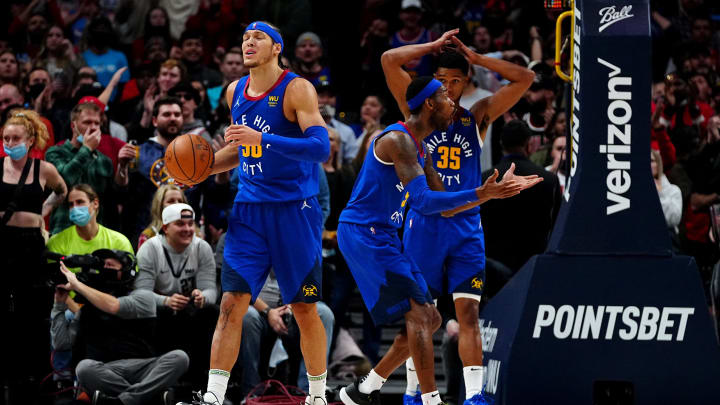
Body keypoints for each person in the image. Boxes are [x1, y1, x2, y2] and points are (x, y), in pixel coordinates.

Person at [336, 75, 539, 405]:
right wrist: (482, 192)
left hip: (385, 235)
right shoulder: (397, 141)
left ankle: (365, 387)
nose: (453, 103)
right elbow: (424, 202)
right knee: (419, 317)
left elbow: (447, 206)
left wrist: (492, 193)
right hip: (363, 233)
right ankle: (429, 400)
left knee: (430, 319)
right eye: (446, 96)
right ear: (429, 103)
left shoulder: (419, 149)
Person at [178, 21, 331, 405]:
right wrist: (203, 168)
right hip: (248, 209)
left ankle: (316, 395)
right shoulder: (235, 92)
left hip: (294, 210)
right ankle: (213, 396)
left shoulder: (297, 89)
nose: (248, 42)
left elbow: (320, 148)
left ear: (276, 47)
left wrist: (262, 138)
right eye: (244, 37)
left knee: (305, 307)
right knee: (232, 302)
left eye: (258, 37)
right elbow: (239, 148)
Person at [381, 30, 537, 405]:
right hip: (425, 225)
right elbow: (389, 60)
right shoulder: (414, 111)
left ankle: (475, 396)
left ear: (466, 83)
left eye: (456, 81)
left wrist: (480, 60)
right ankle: (415, 392)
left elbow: (526, 78)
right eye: (442, 81)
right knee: (421, 317)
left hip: (466, 227)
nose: (449, 88)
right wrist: (431, 47)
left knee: (468, 314)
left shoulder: (478, 115)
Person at [51, 250, 189, 405]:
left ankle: (120, 402)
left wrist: (79, 285)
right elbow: (61, 344)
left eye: (110, 265)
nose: (104, 268)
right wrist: (59, 304)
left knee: (179, 357)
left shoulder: (144, 297)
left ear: (126, 270)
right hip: (106, 371)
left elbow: (113, 305)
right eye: (102, 265)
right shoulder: (87, 308)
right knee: (83, 368)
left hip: (143, 368)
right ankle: (151, 398)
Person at [1, 108, 66, 402]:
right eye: (6, 137)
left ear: (29, 140)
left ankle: (35, 377)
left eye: (15, 137)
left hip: (30, 243)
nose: (10, 141)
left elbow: (61, 191)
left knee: (32, 310)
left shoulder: (44, 169)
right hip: (2, 241)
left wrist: (43, 213)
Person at [135, 203, 218, 385]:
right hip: (161, 312)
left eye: (190, 224)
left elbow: (211, 289)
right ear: (165, 228)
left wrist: (203, 296)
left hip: (190, 309)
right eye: (180, 224)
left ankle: (203, 380)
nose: (188, 229)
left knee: (211, 312)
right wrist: (165, 300)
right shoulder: (150, 249)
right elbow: (140, 294)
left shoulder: (201, 247)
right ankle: (162, 381)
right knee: (156, 314)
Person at [481, 120, 561, 273]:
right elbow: (556, 225)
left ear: (501, 143)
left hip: (492, 266)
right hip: (534, 266)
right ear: (529, 144)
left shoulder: (484, 179)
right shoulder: (549, 179)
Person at [116, 96, 184, 241]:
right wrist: (122, 166)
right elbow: (122, 192)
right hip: (145, 232)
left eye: (177, 115)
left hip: (184, 230)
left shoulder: (194, 154)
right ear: (154, 121)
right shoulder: (138, 153)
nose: (173, 118)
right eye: (166, 114)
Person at [45, 100, 113, 234]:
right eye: (87, 122)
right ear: (73, 126)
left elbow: (111, 201)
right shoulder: (55, 153)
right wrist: (86, 149)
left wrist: (122, 169)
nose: (93, 127)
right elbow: (62, 183)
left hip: (96, 233)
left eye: (97, 123)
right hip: (63, 229)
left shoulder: (104, 160)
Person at [138, 184, 190, 248]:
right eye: (171, 201)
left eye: (180, 201)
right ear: (160, 206)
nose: (177, 204)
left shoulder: (194, 233)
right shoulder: (148, 236)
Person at [651, 146, 683, 233]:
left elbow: (673, 220)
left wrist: (659, 191)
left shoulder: (674, 191)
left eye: (651, 161)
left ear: (659, 164)